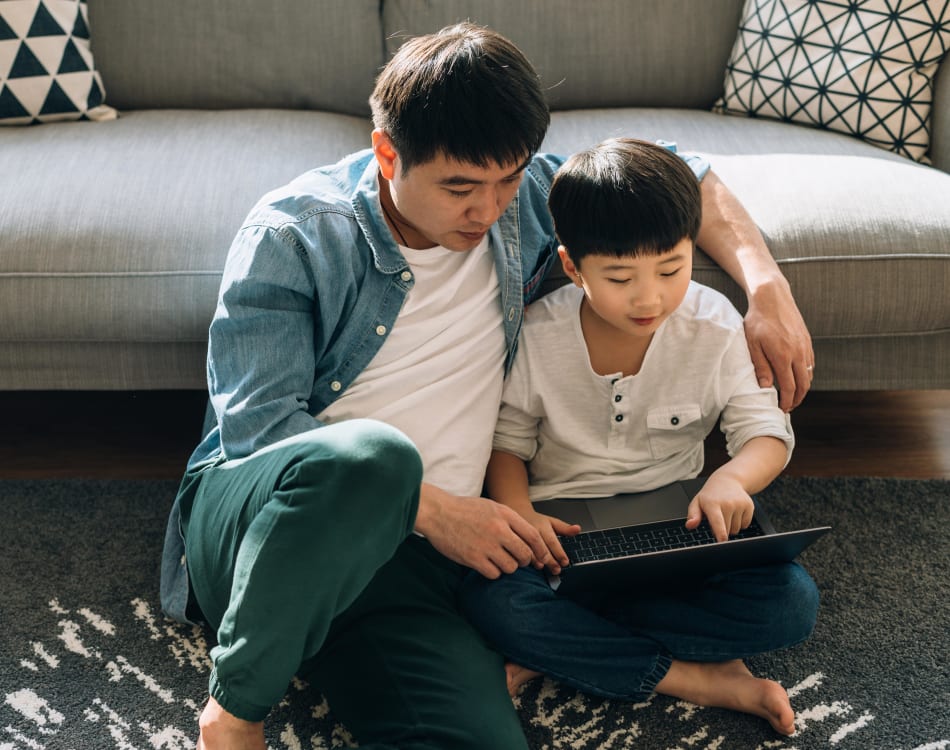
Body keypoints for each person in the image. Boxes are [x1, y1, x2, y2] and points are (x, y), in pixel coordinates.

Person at [158, 22, 815, 750]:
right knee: (376, 460)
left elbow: (680, 170)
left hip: (420, 572)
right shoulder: (294, 234)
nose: (490, 209)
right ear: (387, 153)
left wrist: (767, 287)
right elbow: (258, 431)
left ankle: (640, 666)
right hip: (272, 522)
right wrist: (438, 511)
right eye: (461, 188)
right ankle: (235, 711)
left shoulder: (523, 196)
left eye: (508, 179)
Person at [459, 138, 819, 737]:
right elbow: (507, 443)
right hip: (558, 533)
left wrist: (731, 479)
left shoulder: (715, 325)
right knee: (491, 598)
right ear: (574, 268)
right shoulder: (540, 334)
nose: (649, 297)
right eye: (621, 277)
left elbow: (765, 433)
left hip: (676, 532)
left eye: (672, 269)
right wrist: (520, 513)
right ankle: (696, 676)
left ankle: (561, 643)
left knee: (790, 603)